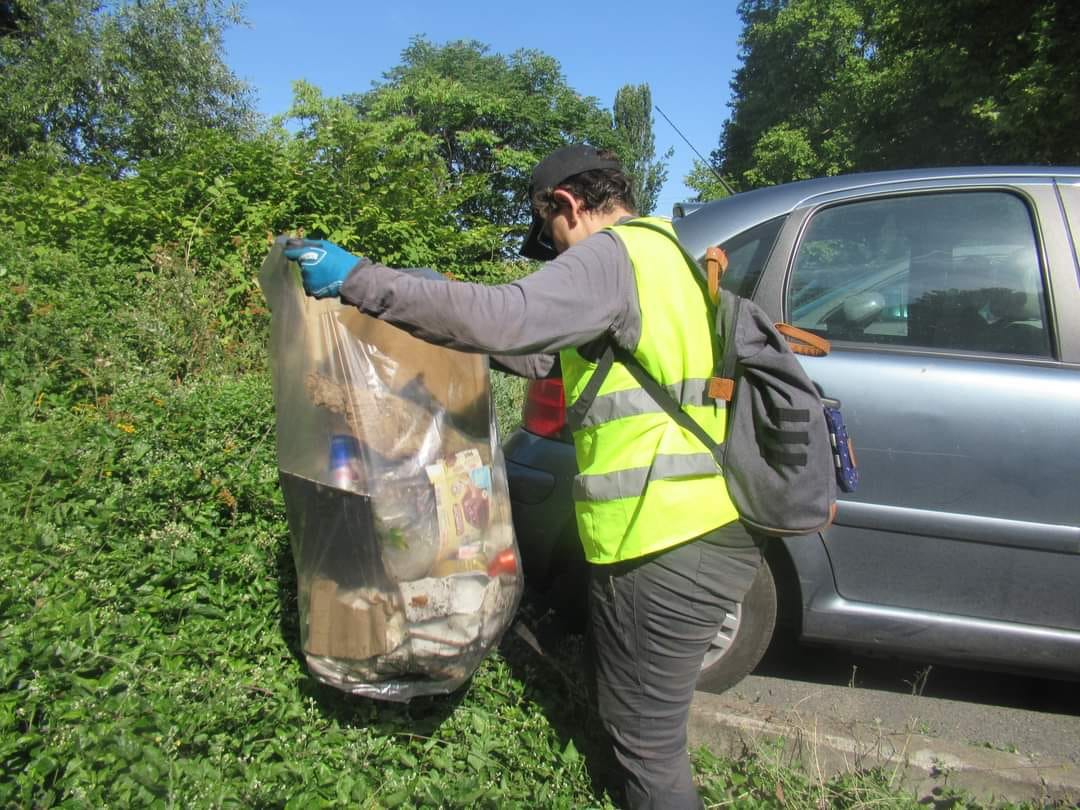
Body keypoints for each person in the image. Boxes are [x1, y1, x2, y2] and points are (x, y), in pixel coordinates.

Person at [283, 145, 764, 810]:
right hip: (704, 526)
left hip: (668, 537)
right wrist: (435, 312)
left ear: (563, 204)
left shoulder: (610, 255)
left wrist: (362, 280)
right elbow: (544, 355)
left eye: (550, 236)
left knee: (648, 744)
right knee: (636, 714)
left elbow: (505, 316)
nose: (558, 257)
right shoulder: (666, 254)